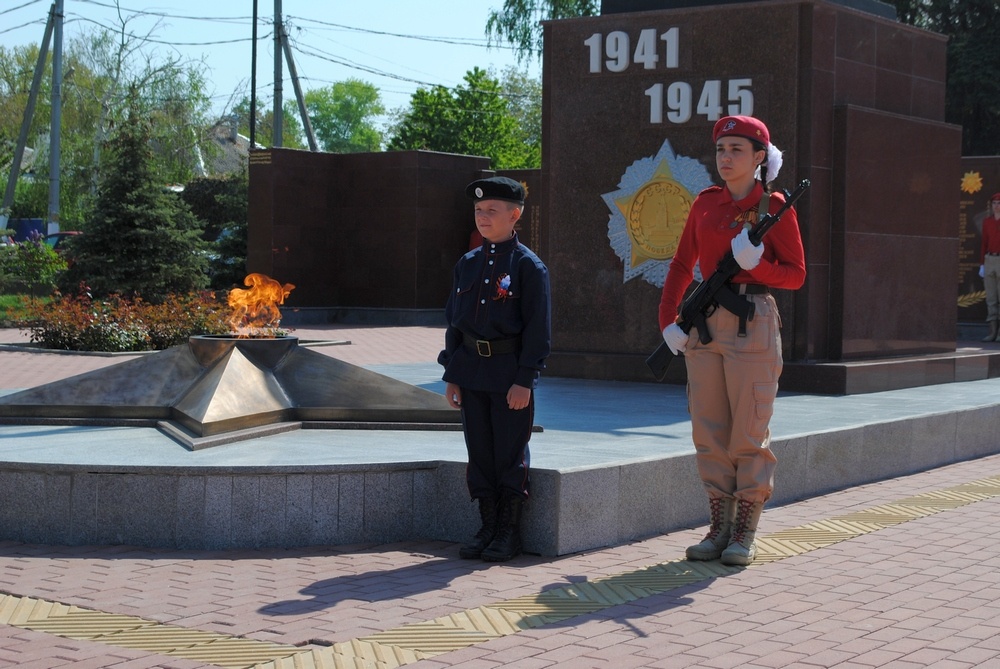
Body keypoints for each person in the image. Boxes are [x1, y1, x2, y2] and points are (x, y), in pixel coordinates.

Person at [658, 116, 806, 566]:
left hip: (752, 321)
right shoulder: (706, 204)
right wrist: (667, 321)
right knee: (708, 431)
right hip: (703, 325)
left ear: (759, 157)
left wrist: (758, 265)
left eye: (737, 150)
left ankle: (744, 531)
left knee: (748, 433)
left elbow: (796, 275)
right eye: (721, 150)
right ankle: (718, 527)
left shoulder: (774, 207)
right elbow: (681, 265)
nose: (726, 158)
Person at [438, 176, 551, 562]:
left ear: (514, 215)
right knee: (480, 452)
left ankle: (508, 531)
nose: (483, 216)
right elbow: (454, 323)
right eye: (478, 210)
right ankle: (487, 526)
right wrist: (452, 374)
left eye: (492, 210)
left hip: (508, 374)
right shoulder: (468, 264)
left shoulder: (528, 266)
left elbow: (538, 330)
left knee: (509, 453)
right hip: (471, 372)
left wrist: (525, 379)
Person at [979, 193, 1000, 342]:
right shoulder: (987, 222)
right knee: (991, 298)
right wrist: (982, 264)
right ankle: (992, 332)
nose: (996, 206)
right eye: (994, 203)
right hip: (989, 259)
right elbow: (984, 243)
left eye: (999, 203)